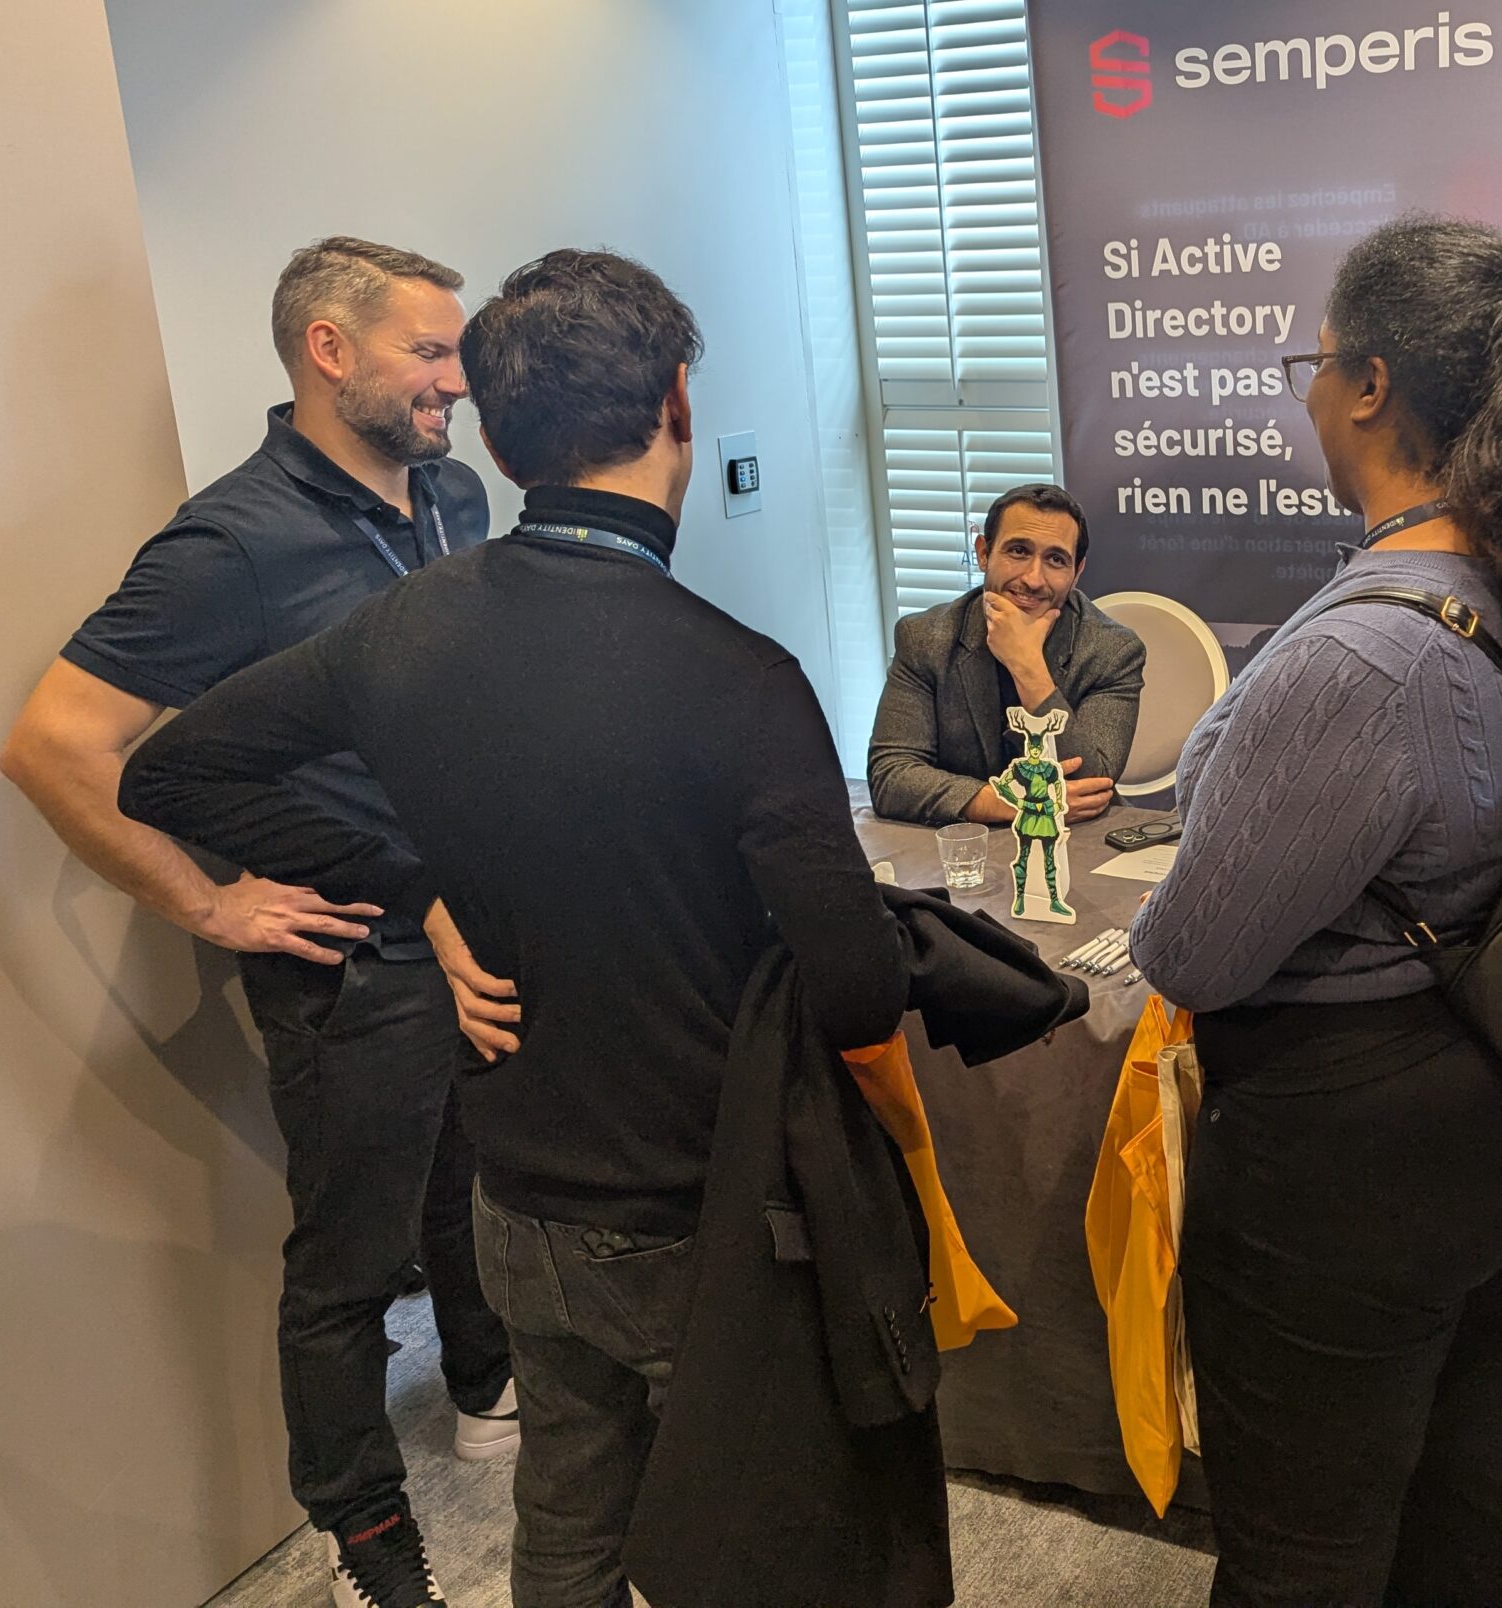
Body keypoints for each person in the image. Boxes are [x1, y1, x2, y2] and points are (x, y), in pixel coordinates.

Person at [120, 250, 918, 1608]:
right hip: (687, 1210)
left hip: (516, 1199)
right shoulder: (743, 678)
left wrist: (407, 883)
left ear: (495, 440)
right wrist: (412, 887)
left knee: (571, 1507)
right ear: (677, 403)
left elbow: (172, 773)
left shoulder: (397, 633)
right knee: (777, 1528)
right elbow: (858, 992)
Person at [1127, 216, 1502, 1608]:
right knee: (1476, 1478)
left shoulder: (1367, 655)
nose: (1308, 393)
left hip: (1358, 1169)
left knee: (1302, 1554)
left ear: (1370, 384)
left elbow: (1188, 950)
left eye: (1312, 363)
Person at [0, 237, 513, 1608]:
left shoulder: (453, 490)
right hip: (351, 960)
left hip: (468, 920)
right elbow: (53, 745)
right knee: (351, 1257)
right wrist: (204, 899)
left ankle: (484, 1382)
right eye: (429, 351)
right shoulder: (231, 543)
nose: (458, 380)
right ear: (328, 351)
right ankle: (362, 1527)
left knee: (471, 1179)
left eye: (457, 349)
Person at [867, 481, 1145, 826]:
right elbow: (891, 776)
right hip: (965, 841)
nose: (1033, 579)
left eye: (1056, 559)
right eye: (1018, 551)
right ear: (983, 553)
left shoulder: (1112, 651)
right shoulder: (925, 638)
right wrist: (1008, 802)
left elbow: (1091, 785)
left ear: (1077, 573)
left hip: (1075, 842)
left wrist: (1027, 666)